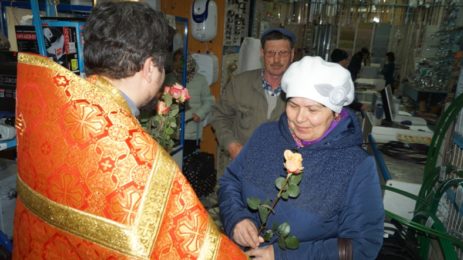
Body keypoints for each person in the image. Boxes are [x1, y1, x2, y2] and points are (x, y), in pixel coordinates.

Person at [12, 2, 245, 259]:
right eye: (162, 67)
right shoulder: (136, 157)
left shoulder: (52, 105)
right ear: (148, 68)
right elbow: (194, 248)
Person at [218, 56, 384, 259]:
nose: (299, 118)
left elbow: (362, 245)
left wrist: (283, 256)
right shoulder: (266, 135)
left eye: (313, 109)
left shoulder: (356, 165)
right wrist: (236, 219)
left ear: (336, 114)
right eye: (293, 106)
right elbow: (231, 181)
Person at [211, 28, 295, 171]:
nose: (276, 60)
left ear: (292, 54)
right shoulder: (239, 84)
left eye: (283, 53)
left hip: (282, 172)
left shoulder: (300, 91)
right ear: (262, 53)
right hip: (241, 167)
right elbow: (219, 116)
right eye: (270, 53)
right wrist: (232, 145)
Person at [166, 49, 215, 158]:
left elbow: (209, 101)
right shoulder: (169, 78)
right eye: (176, 60)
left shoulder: (200, 80)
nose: (179, 63)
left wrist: (200, 113)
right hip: (171, 132)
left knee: (188, 166)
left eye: (182, 60)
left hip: (191, 132)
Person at [331, 48, 369, 112]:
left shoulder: (330, 71)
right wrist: (359, 106)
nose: (348, 63)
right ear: (343, 60)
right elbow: (344, 99)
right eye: (347, 60)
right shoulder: (342, 75)